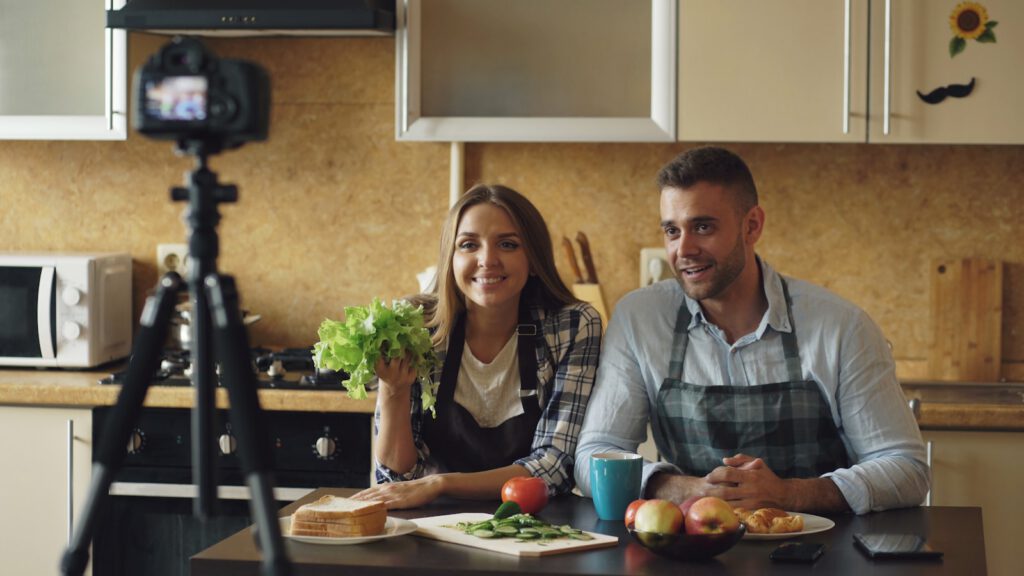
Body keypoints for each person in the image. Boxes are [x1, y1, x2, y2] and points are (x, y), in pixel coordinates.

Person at [574, 147, 929, 515]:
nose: (684, 249)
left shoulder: (841, 326)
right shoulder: (640, 318)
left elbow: (907, 469)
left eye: (703, 227)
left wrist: (790, 495)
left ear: (752, 225)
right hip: (690, 554)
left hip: (821, 554)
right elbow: (593, 456)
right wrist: (682, 488)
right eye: (672, 231)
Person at [353, 184, 602, 509]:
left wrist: (440, 484)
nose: (488, 260)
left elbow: (553, 467)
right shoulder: (416, 326)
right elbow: (397, 480)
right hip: (430, 527)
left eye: (508, 244)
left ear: (534, 257)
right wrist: (393, 389)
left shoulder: (573, 326)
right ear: (450, 258)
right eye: (469, 244)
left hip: (534, 527)